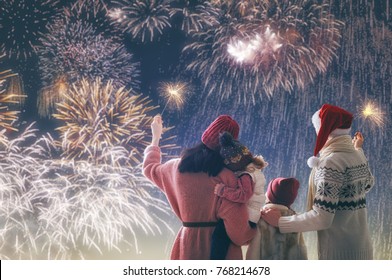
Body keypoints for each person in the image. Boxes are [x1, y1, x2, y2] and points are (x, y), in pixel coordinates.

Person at [262, 104, 375, 260]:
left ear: (324, 130)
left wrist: (281, 222)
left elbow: (322, 218)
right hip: (363, 249)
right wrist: (359, 150)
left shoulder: (331, 163)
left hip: (339, 254)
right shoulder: (357, 155)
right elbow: (367, 184)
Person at [143, 114, 256, 259]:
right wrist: (256, 231)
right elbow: (239, 234)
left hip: (186, 246)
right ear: (230, 146)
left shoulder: (175, 168)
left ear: (206, 135)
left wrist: (156, 137)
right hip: (220, 251)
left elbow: (149, 168)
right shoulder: (228, 177)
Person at [210, 131, 267, 259]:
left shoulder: (246, 175)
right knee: (221, 236)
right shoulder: (253, 170)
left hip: (247, 218)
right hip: (252, 217)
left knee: (219, 235)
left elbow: (243, 195)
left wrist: (223, 191)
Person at [246, 177, 308, 260]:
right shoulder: (295, 220)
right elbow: (301, 249)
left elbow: (253, 252)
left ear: (271, 196)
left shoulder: (262, 218)